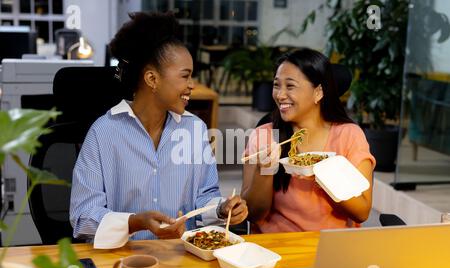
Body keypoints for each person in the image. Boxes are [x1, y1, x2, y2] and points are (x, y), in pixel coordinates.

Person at [70, 12, 248, 248]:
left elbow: (204, 197)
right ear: (152, 79)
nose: (191, 85)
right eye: (185, 76)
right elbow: (82, 217)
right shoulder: (103, 133)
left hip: (181, 257)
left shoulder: (194, 129)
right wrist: (134, 222)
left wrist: (221, 208)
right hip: (123, 260)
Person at [241, 48, 375, 233]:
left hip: (332, 247)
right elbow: (254, 214)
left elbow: (362, 212)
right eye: (276, 85)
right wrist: (265, 170)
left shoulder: (349, 136)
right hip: (277, 248)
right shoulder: (264, 136)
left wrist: (326, 174)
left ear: (318, 92)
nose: (280, 95)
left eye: (290, 86)